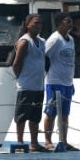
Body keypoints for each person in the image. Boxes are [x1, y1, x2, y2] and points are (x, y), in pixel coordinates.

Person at [42, 12, 78, 151]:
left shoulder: (71, 40)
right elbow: (44, 56)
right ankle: (48, 141)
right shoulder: (54, 39)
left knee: (65, 115)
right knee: (51, 113)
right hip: (55, 82)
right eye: (67, 21)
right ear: (59, 24)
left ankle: (63, 141)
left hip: (68, 83)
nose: (70, 23)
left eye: (70, 20)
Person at [11, 14, 47, 152]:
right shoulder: (24, 42)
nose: (39, 25)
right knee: (21, 115)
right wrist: (21, 78)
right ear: (28, 25)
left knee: (35, 116)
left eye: (41, 23)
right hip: (26, 86)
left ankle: (34, 143)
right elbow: (16, 64)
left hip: (38, 86)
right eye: (36, 23)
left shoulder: (42, 41)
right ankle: (20, 142)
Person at [71, 14, 80, 78]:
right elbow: (77, 51)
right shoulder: (71, 37)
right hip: (76, 69)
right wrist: (79, 37)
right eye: (78, 24)